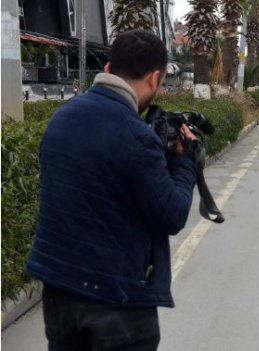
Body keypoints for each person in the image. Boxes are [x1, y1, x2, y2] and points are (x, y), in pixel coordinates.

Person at [25, 30, 198, 351]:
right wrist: (184, 162)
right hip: (115, 301)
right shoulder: (136, 137)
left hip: (59, 291)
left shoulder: (61, 118)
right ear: (155, 78)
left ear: (107, 69)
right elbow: (172, 214)